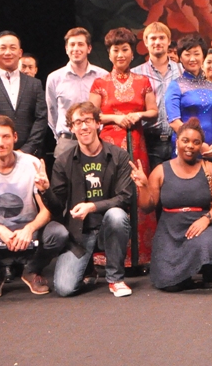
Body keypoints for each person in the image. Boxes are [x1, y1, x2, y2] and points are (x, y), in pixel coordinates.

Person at [0, 115, 67, 299]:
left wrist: (29, 228)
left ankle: (32, 270)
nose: (0, 142)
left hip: (28, 233)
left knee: (59, 233)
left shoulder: (31, 163)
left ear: (15, 137)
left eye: (6, 136)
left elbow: (46, 211)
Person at [38, 102, 133, 297]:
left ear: (98, 123)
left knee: (117, 215)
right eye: (78, 122)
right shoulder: (63, 161)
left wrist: (92, 206)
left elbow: (125, 198)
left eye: (88, 120)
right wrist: (46, 191)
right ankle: (87, 266)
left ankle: (115, 278)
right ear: (71, 128)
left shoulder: (118, 156)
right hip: (80, 233)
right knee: (64, 289)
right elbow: (57, 208)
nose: (83, 126)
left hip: (109, 227)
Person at [131, 118, 212, 291]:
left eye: (196, 142)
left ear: (201, 146)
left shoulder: (209, 168)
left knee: (204, 242)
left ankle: (208, 270)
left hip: (202, 224)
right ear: (177, 141)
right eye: (186, 140)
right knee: (168, 284)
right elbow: (146, 207)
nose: (190, 146)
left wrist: (206, 219)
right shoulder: (161, 170)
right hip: (170, 229)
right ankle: (186, 276)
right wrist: (144, 187)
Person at [89, 26, 157, 265]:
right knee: (111, 193)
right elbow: (91, 115)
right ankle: (112, 255)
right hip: (108, 147)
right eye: (116, 50)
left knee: (139, 191)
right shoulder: (100, 82)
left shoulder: (143, 80)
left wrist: (139, 115)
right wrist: (115, 118)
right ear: (109, 54)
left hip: (136, 144)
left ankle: (142, 255)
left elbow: (153, 111)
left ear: (132, 52)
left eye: (125, 49)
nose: (120, 54)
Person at [45, 27, 108, 158]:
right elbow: (51, 113)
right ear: (66, 49)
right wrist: (61, 137)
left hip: (97, 140)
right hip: (67, 141)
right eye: (72, 45)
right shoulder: (54, 78)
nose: (76, 48)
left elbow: (106, 109)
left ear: (89, 48)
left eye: (80, 44)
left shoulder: (103, 76)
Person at [133, 22, 184, 172]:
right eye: (153, 38)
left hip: (177, 138)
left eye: (162, 38)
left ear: (168, 42)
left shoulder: (182, 70)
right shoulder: (136, 73)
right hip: (149, 141)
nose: (157, 42)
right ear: (146, 42)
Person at [166, 35, 212, 165]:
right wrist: (199, 144)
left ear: (203, 56)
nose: (192, 59)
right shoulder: (175, 86)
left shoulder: (211, 86)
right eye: (187, 54)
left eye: (197, 54)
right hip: (187, 147)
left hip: (211, 149)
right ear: (180, 58)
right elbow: (174, 122)